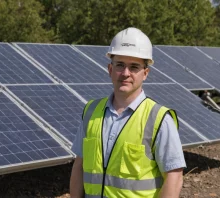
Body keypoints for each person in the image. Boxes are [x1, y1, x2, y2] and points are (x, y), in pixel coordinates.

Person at [70, 27, 186, 198]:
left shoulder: (158, 119)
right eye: (120, 65)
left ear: (145, 73)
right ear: (110, 69)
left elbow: (174, 177)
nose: (125, 73)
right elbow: (79, 166)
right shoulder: (91, 111)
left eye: (134, 67)